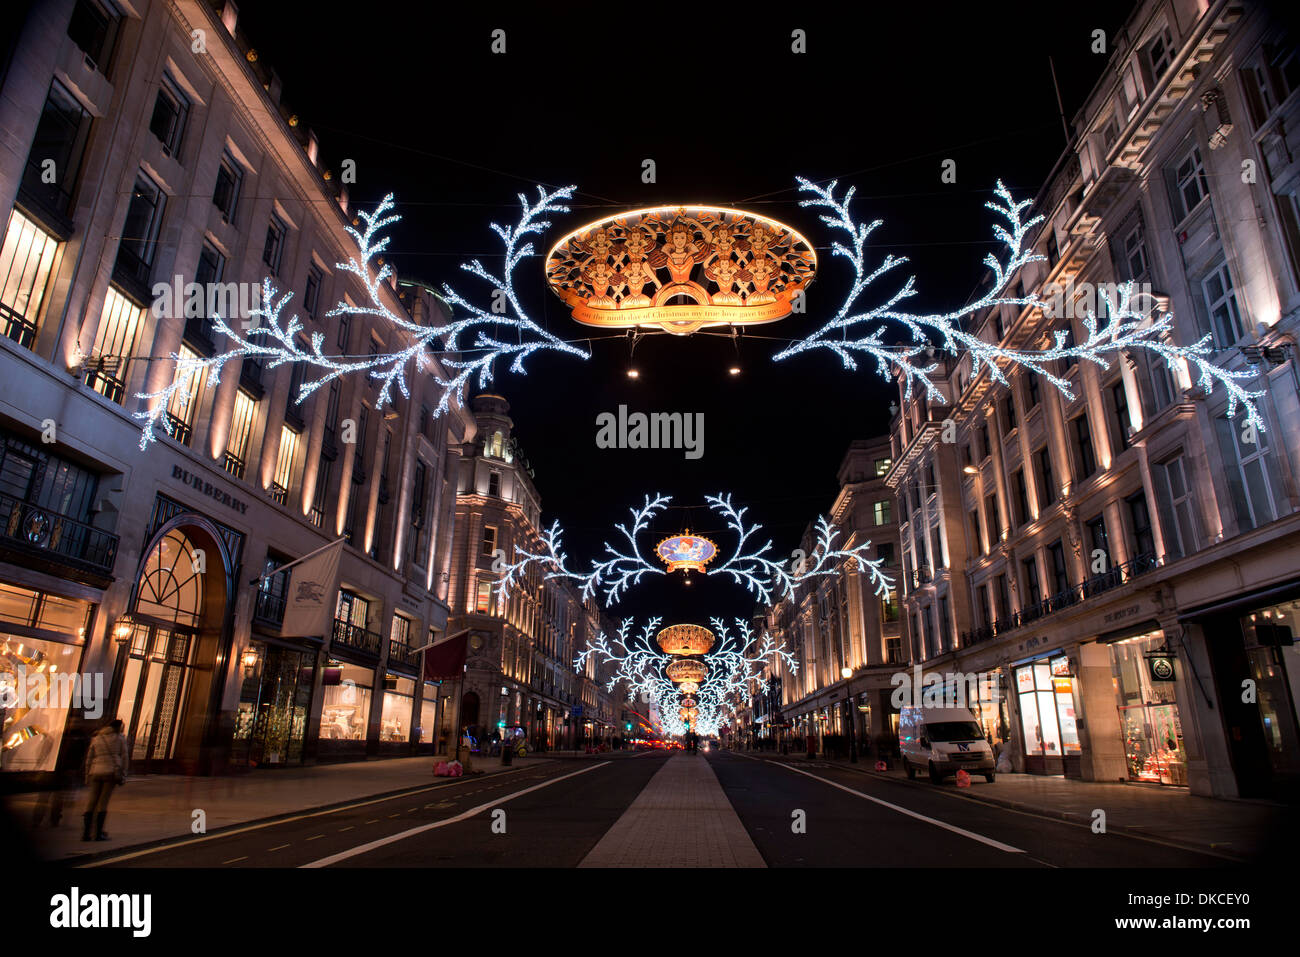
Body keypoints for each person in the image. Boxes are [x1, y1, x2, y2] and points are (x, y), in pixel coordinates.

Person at [82, 718, 127, 842]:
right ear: (119, 728)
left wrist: (87, 775)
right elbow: (124, 757)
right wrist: (124, 774)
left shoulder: (97, 738)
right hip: (110, 773)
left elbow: (89, 758)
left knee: (91, 802)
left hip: (95, 772)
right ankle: (98, 833)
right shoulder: (119, 738)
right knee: (103, 802)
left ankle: (86, 833)